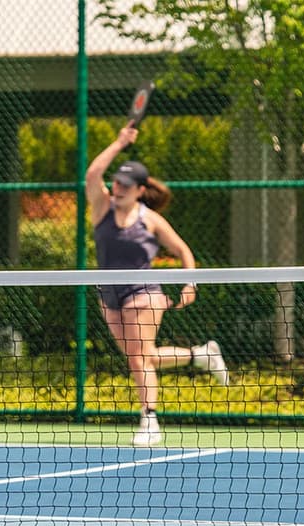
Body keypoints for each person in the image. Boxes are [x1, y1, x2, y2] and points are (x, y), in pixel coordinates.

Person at [85, 123, 229, 446]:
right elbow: (93, 175)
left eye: (125, 185)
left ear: (138, 189)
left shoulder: (149, 219)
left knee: (138, 358)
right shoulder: (101, 208)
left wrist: (189, 283)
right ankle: (200, 355)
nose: (117, 187)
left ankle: (149, 419)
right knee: (141, 356)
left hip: (144, 293)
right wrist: (119, 143)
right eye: (117, 182)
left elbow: (182, 250)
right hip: (109, 294)